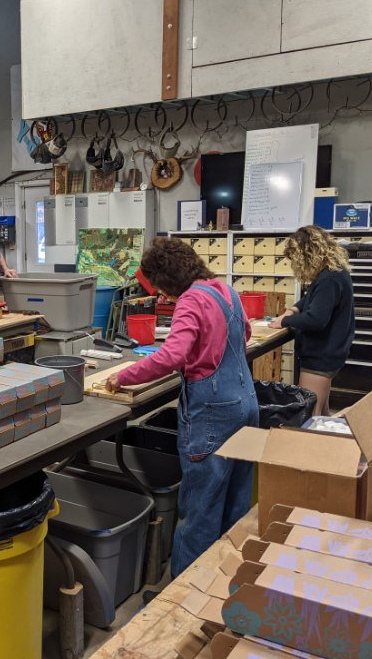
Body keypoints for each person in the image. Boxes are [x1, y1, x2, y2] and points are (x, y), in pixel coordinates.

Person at [105, 238, 257, 578]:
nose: (160, 294)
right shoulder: (226, 291)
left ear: (168, 279)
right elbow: (244, 333)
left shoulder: (191, 300)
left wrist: (124, 375)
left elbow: (173, 355)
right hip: (246, 403)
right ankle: (228, 582)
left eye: (159, 286)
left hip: (214, 412)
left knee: (201, 510)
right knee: (236, 503)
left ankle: (186, 595)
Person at [268, 225, 354, 416]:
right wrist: (293, 309)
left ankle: (313, 446)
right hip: (329, 354)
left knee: (308, 416)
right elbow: (312, 299)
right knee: (322, 413)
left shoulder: (329, 279)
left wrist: (284, 322)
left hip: (320, 358)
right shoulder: (333, 272)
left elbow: (316, 319)